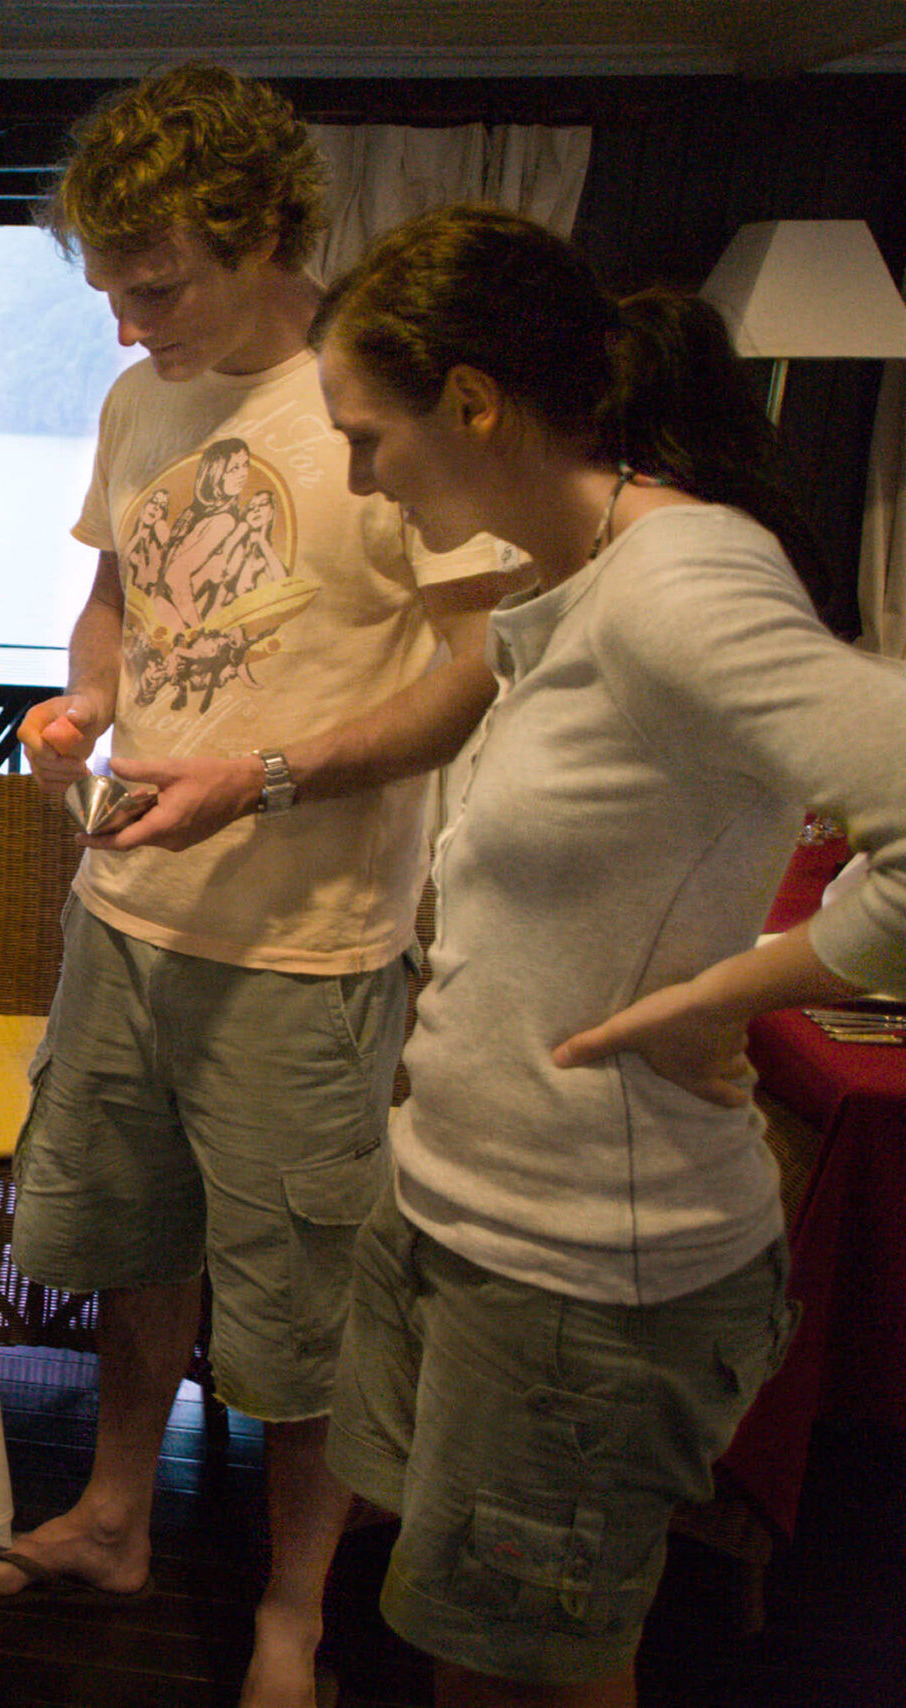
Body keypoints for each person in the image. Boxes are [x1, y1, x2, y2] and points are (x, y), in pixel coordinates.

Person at [311, 203, 906, 1708]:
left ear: (473, 402)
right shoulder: (575, 574)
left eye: (371, 438)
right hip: (467, 1210)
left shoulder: (680, 583)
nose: (362, 480)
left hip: (587, 1269)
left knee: (531, 1673)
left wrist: (727, 993)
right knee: (455, 1629)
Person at [0, 65, 532, 1708]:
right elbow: (111, 605)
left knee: (304, 1306)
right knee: (141, 1240)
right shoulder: (139, 398)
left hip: (309, 946)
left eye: (157, 285)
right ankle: (110, 1512)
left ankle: (293, 1611)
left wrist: (270, 774)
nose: (131, 324)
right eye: (111, 288)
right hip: (129, 917)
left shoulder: (381, 392)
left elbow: (471, 671)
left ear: (268, 232)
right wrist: (84, 700)